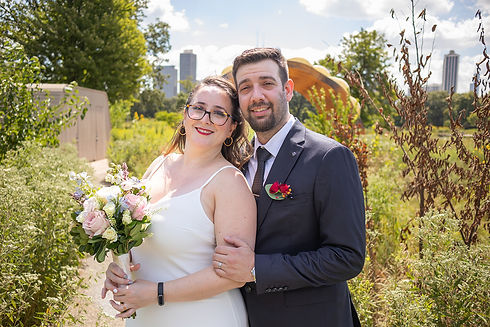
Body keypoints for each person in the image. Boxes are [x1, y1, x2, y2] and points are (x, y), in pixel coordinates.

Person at [212, 48, 365, 327]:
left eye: (267, 84)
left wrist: (257, 268)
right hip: (240, 315)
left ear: (288, 89)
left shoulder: (329, 157)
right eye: (245, 88)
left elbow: (347, 257)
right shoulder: (235, 161)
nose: (256, 96)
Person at [101, 76, 256, 326]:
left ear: (231, 128)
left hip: (204, 317)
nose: (205, 119)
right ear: (185, 115)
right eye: (198, 108)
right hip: (146, 317)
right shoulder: (160, 164)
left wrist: (156, 293)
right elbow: (132, 236)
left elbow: (233, 276)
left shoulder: (230, 183)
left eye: (219, 113)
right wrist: (118, 268)